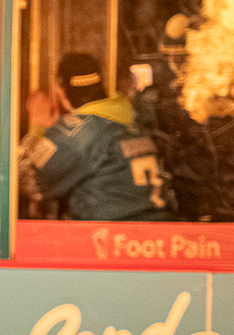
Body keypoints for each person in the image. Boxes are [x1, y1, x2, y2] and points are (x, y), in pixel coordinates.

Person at [21, 51, 174, 222]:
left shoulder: (78, 134)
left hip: (110, 233)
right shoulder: (130, 116)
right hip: (157, 229)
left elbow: (27, 181)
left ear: (61, 90)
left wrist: (37, 126)